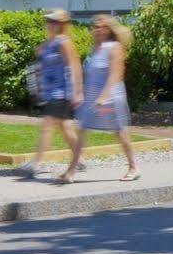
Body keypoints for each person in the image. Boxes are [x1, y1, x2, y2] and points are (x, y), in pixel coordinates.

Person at [62, 14, 139, 183]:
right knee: (82, 129)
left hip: (111, 98)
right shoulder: (94, 49)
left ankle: (133, 167)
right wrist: (79, 93)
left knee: (119, 131)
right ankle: (71, 170)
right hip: (91, 98)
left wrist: (104, 96)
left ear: (108, 29)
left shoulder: (114, 47)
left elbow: (116, 74)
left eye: (101, 27)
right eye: (94, 27)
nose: (97, 30)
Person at [27, 9, 80, 175]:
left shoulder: (63, 42)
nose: (50, 24)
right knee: (65, 128)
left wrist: (76, 92)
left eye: (54, 21)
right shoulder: (48, 44)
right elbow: (41, 68)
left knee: (47, 125)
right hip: (50, 93)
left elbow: (74, 66)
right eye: (48, 21)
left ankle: (35, 164)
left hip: (61, 92)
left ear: (62, 25)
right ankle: (80, 158)